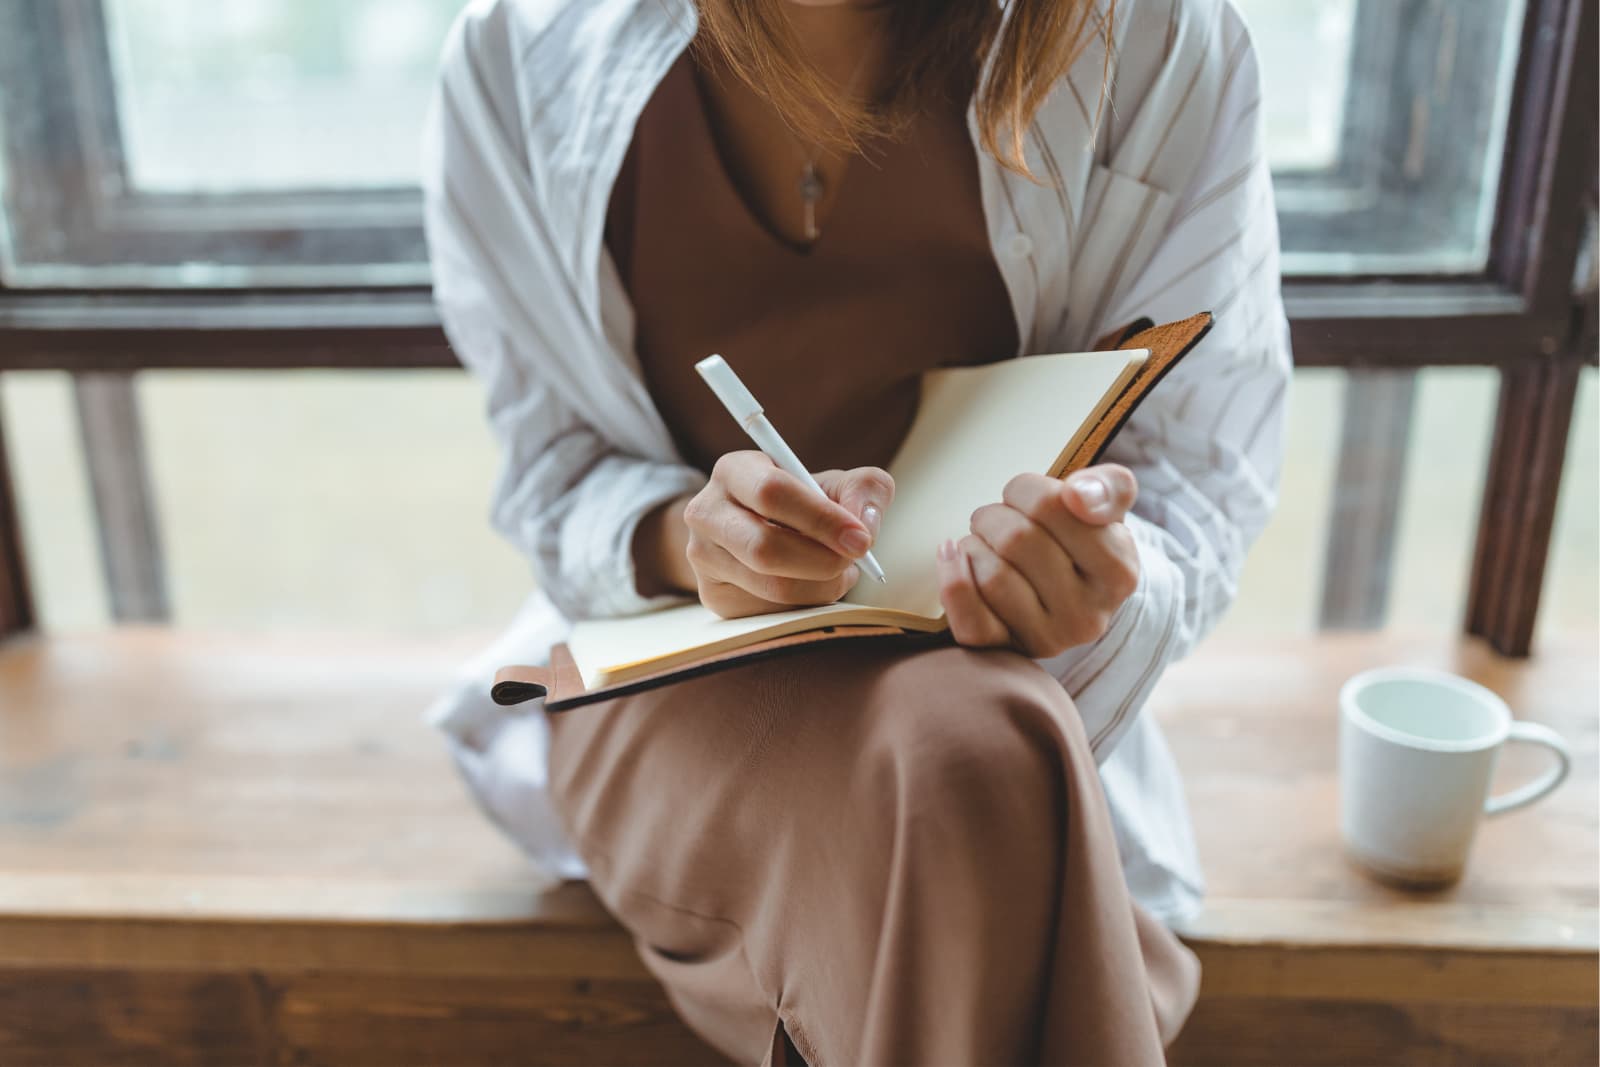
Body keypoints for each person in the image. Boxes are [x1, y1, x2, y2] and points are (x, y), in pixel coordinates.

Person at [422, 0, 1290, 1061]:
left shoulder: (1151, 41)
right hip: (664, 672)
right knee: (979, 765)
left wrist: (1102, 571)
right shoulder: (516, 50)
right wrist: (685, 539)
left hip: (1013, 677)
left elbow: (1199, 472)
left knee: (968, 743)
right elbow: (553, 470)